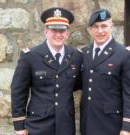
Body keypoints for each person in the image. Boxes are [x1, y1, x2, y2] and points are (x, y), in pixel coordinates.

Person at [11, 7, 82, 135]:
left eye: (62, 30)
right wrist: (19, 126)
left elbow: (78, 84)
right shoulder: (30, 57)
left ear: (67, 33)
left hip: (66, 126)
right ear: (46, 32)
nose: (58, 34)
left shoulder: (76, 56)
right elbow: (18, 91)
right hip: (38, 125)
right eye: (54, 30)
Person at [80, 9, 130, 135]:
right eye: (96, 27)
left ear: (111, 26)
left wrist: (128, 127)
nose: (100, 31)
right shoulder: (84, 53)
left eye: (104, 26)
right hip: (87, 123)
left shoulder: (124, 54)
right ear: (90, 29)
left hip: (111, 125)